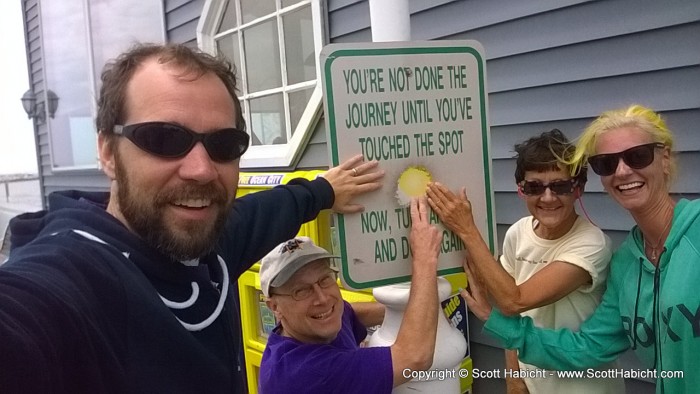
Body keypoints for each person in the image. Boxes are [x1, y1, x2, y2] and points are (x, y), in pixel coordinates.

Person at [0, 43, 384, 393]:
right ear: (106, 151)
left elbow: (261, 213)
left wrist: (323, 191)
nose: (201, 169)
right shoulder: (69, 282)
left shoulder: (209, 245)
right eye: (164, 139)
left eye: (224, 145)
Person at [463, 105, 700, 394]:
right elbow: (586, 348)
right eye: (606, 163)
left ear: (664, 159)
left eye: (638, 156)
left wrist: (466, 228)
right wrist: (495, 323)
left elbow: (515, 300)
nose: (623, 171)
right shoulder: (627, 264)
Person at [427, 129, 624, 393]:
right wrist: (514, 378)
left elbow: (514, 299)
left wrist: (466, 230)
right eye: (534, 187)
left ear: (578, 189)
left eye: (560, 186)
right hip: (533, 384)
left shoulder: (591, 244)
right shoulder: (518, 232)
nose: (548, 197)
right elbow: (514, 313)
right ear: (521, 190)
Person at [259, 198, 442, 393]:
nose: (322, 299)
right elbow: (415, 357)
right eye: (301, 291)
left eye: (324, 279)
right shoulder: (307, 373)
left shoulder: (313, 324)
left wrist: (408, 307)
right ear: (275, 307)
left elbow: (348, 310)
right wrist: (425, 258)